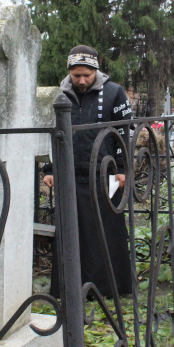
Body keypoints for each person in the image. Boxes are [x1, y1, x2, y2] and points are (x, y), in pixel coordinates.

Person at [43, 45, 134, 298]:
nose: (82, 81)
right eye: (76, 75)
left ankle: (108, 288)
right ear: (69, 72)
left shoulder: (115, 93)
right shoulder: (57, 95)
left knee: (106, 232)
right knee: (72, 232)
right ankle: (69, 288)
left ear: (96, 70)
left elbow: (124, 132)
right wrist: (49, 168)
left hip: (106, 174)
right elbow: (48, 134)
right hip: (70, 175)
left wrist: (124, 167)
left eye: (87, 75)